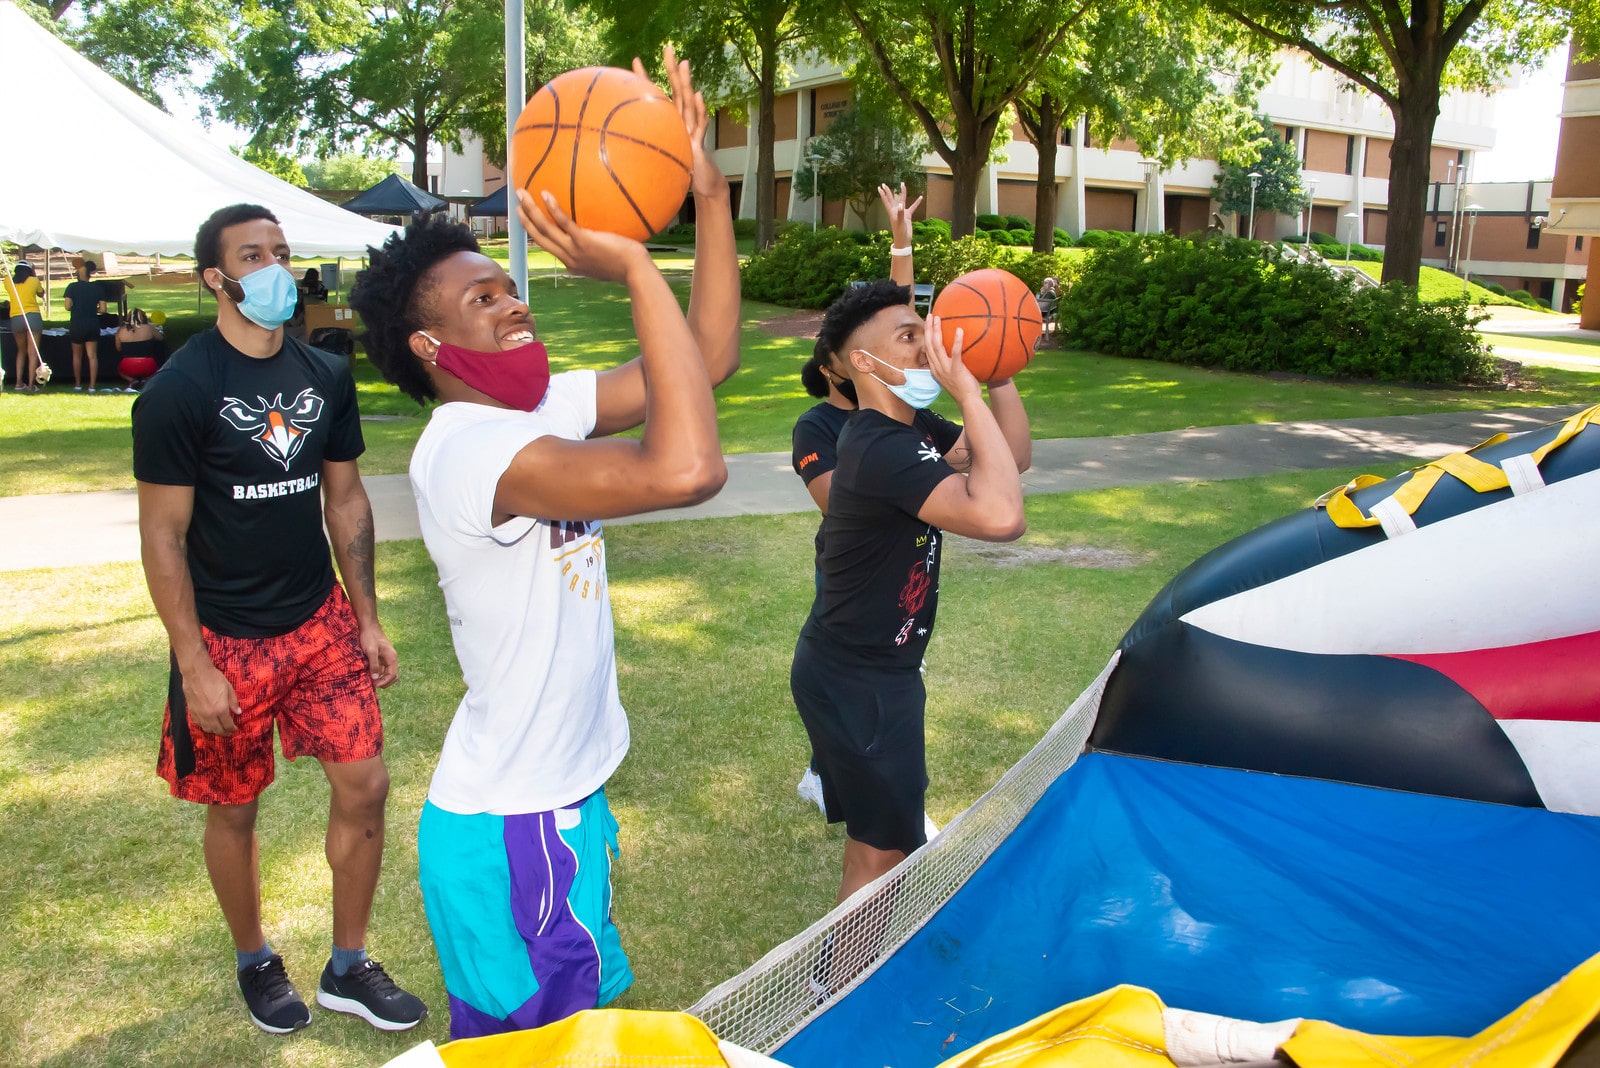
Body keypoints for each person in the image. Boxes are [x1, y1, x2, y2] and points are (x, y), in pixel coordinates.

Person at [347, 47, 738, 1041]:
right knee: (535, 1057)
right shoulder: (473, 449)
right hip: (512, 827)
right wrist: (637, 266)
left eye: (508, 286)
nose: (515, 300)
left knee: (585, 1038)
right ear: (435, 351)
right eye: (484, 300)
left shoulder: (533, 408)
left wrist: (705, 193)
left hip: (562, 804)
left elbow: (710, 359)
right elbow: (686, 469)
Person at [132, 203, 425, 1036]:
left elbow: (346, 497)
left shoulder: (323, 375)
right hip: (226, 638)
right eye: (252, 255)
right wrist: (193, 664)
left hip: (318, 623)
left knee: (366, 783)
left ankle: (349, 963)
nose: (275, 269)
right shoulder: (178, 392)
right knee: (236, 806)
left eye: (282, 252)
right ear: (214, 278)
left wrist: (366, 618)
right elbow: (164, 535)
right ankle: (255, 957)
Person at [791, 279, 1031, 918]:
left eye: (922, 327)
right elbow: (1002, 515)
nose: (927, 342)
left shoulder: (909, 428)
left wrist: (998, 370)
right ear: (862, 364)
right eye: (908, 336)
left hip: (868, 670)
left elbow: (1012, 458)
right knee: (883, 849)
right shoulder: (876, 446)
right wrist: (970, 393)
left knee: (882, 839)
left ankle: (839, 973)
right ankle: (834, 983)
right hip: (859, 678)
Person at [791, 182, 922, 816]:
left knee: (890, 671)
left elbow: (896, 313)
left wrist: (902, 243)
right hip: (847, 566)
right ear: (839, 367)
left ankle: (851, 775)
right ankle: (831, 772)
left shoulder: (898, 409)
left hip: (901, 561)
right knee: (849, 678)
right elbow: (836, 503)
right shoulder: (817, 427)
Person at [64, 258, 108, 392]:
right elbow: (103, 309)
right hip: (92, 323)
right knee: (92, 356)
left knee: (77, 355)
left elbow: (67, 306)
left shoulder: (71, 287)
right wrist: (92, 309)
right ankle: (92, 386)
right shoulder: (98, 289)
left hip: (77, 323)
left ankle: (77, 384)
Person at [5, 262, 45, 392]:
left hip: (16, 317)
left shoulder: (8, 281)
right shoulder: (34, 281)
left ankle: (18, 383)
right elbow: (41, 293)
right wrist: (33, 274)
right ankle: (31, 385)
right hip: (33, 316)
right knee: (32, 353)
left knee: (21, 351)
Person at [115, 307, 165, 391]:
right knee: (157, 368)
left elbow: (118, 348)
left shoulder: (121, 331)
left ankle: (132, 380)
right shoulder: (149, 328)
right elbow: (161, 338)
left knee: (119, 369)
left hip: (127, 366)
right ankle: (145, 380)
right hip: (148, 365)